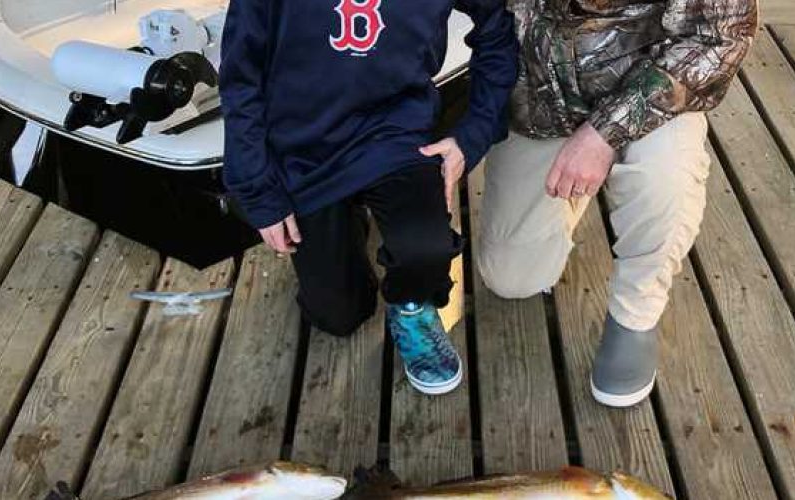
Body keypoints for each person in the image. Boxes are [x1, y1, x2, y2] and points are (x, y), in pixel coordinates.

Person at [220, 0, 517, 395]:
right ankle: (345, 222)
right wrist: (258, 191)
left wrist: (471, 135)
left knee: (424, 249)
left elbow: (498, 30)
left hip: (393, 135)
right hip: (305, 147)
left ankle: (412, 308)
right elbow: (240, 77)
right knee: (339, 315)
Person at [477, 0, 757, 407]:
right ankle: (578, 184)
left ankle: (635, 314)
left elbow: (722, 36)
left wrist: (603, 133)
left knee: (665, 177)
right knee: (511, 278)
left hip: (651, 94)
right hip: (537, 104)